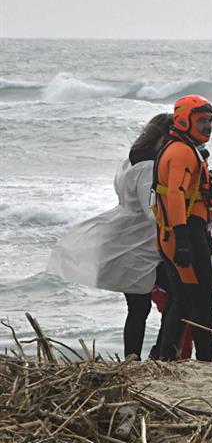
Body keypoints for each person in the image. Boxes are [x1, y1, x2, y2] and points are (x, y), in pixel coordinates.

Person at [46, 113, 171, 360]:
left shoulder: (129, 161)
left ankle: (134, 357)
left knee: (138, 307)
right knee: (173, 298)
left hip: (126, 237)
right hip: (142, 243)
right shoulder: (148, 166)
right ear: (164, 137)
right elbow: (150, 211)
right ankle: (157, 354)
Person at [152, 95, 212, 362]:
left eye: (210, 121)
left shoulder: (184, 148)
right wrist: (184, 240)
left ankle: (165, 356)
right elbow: (176, 195)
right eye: (202, 120)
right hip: (183, 233)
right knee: (201, 302)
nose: (208, 126)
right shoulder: (181, 152)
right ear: (183, 120)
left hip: (183, 232)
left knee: (184, 300)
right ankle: (205, 362)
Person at [151, 182, 212, 359]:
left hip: (197, 260)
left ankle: (190, 360)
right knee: (178, 311)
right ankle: (171, 357)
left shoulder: (211, 193)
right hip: (165, 265)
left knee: (192, 312)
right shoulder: (165, 192)